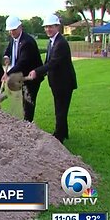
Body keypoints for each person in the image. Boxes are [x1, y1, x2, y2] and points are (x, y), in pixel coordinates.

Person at [28, 14, 77, 143]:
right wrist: (40, 73)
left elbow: (53, 63)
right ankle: (63, 132)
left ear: (57, 27)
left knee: (60, 109)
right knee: (60, 108)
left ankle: (58, 137)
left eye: (50, 27)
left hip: (64, 82)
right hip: (57, 82)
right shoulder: (52, 42)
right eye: (46, 27)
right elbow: (48, 62)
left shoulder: (60, 43)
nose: (48, 29)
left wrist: (36, 72)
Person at [2, 16, 43, 122]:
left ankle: (28, 124)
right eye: (10, 30)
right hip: (22, 75)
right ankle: (25, 122)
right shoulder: (14, 38)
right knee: (24, 99)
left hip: (31, 76)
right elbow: (8, 50)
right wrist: (6, 56)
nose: (12, 32)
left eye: (14, 29)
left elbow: (22, 63)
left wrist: (8, 74)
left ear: (20, 27)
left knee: (29, 100)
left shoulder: (27, 42)